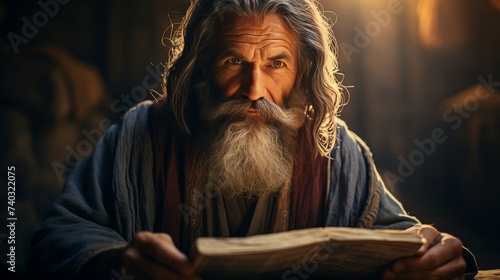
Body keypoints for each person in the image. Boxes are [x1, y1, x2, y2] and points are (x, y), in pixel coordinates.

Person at [28, 0, 477, 279]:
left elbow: (402, 238)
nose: (254, 88)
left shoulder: (336, 151)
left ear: (303, 73)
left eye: (276, 64)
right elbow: (60, 234)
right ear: (202, 69)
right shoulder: (137, 136)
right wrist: (119, 262)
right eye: (233, 60)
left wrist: (436, 258)